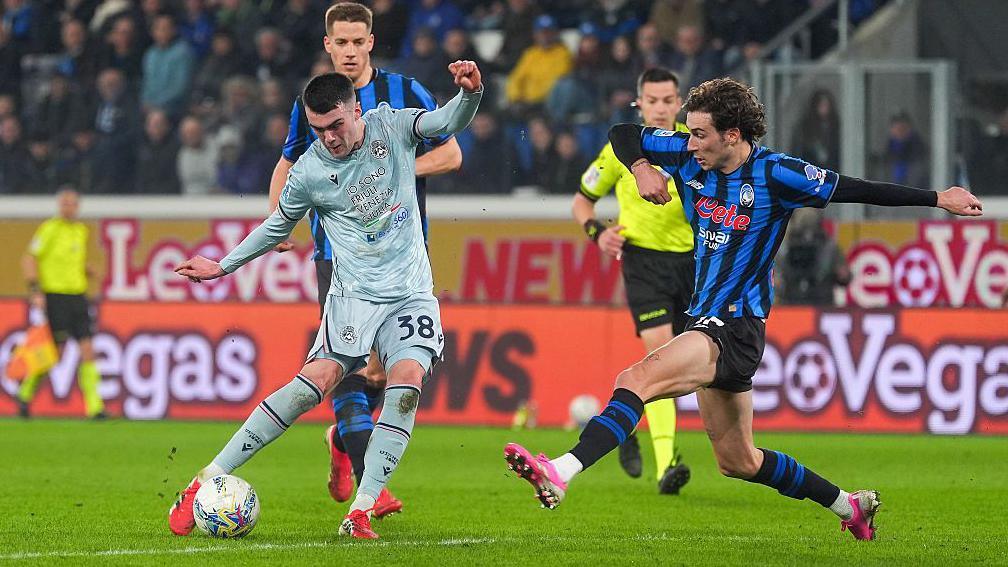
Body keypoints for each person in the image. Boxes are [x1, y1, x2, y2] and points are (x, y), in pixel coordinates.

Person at [504, 77, 982, 541]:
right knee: (739, 461)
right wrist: (640, 167)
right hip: (705, 320)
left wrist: (938, 198)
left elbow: (855, 188)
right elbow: (623, 133)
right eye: (688, 132)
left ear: (732, 135)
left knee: (635, 379)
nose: (688, 144)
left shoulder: (778, 174)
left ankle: (561, 470)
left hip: (735, 325)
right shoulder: (686, 152)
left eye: (699, 134)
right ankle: (848, 504)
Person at [168, 63, 482, 540]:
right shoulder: (311, 171)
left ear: (357, 110)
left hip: (411, 292)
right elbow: (277, 226)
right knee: (314, 382)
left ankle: (359, 511)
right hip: (353, 295)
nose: (330, 138)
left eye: (337, 125)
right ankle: (204, 480)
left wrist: (471, 94)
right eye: (319, 130)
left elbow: (447, 123)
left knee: (408, 381)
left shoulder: (393, 126)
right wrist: (223, 265)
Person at [266, 1, 463, 519]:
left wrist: (393, 167)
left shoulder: (405, 93)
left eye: (359, 42)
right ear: (328, 45)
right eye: (341, 43)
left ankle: (342, 441)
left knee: (386, 373)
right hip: (339, 256)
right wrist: (278, 223)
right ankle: (368, 486)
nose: (350, 51)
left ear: (370, 42)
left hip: (402, 257)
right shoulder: (315, 103)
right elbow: (287, 162)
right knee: (346, 366)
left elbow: (451, 153)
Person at [574, 68, 692, 494]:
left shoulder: (693, 148)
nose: (660, 108)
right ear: (638, 104)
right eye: (652, 100)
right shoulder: (619, 152)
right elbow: (582, 202)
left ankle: (626, 423)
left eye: (668, 100)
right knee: (660, 356)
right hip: (642, 262)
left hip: (695, 262)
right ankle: (666, 467)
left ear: (679, 103)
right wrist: (598, 233)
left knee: (691, 368)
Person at [17, 189, 106, 420]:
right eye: (64, 203)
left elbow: (72, 261)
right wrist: (35, 291)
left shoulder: (80, 231)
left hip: (77, 296)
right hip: (55, 296)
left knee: (88, 349)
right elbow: (28, 258)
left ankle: (95, 407)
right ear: (59, 206)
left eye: (72, 203)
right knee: (54, 353)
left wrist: (87, 270)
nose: (68, 207)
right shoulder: (49, 229)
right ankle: (25, 393)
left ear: (77, 206)